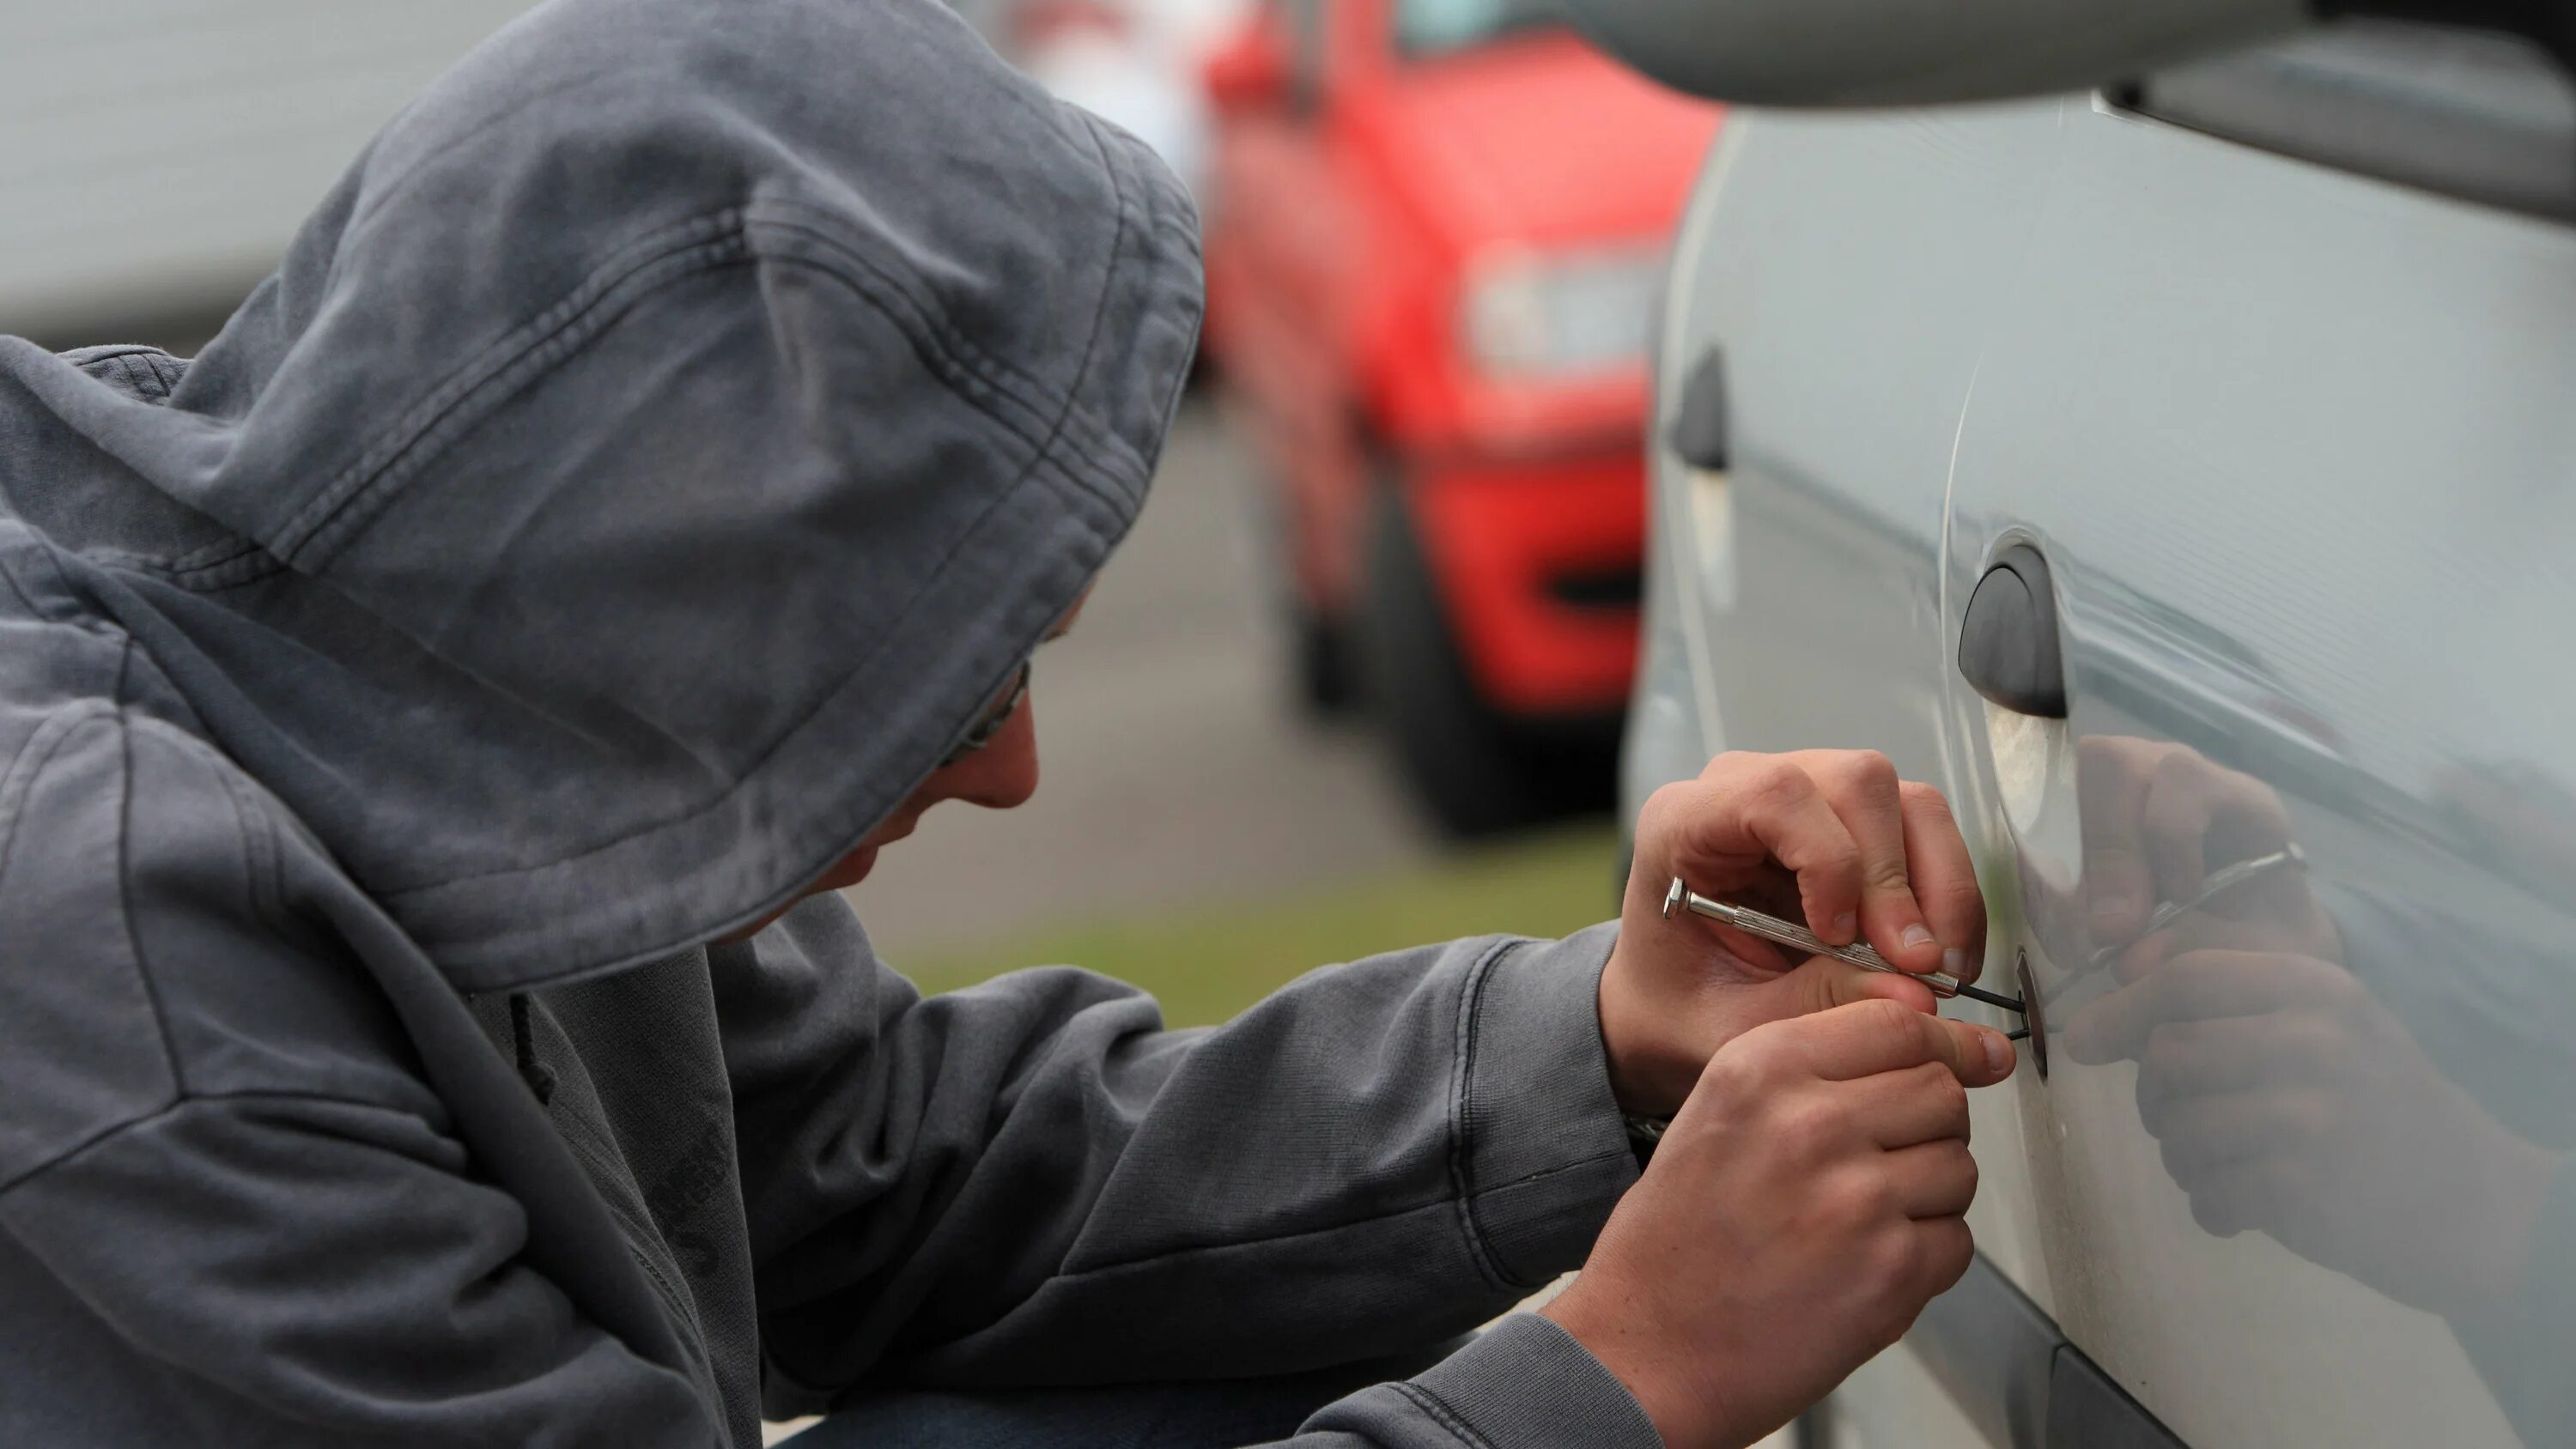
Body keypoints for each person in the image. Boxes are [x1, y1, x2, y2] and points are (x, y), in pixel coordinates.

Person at [0, 1, 2014, 1445]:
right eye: (944, 677)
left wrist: (1594, 1040)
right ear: (642, 586)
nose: (1013, 770)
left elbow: (899, 1172)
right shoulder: (125, 989)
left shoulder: (474, 702)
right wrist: (1619, 1371)